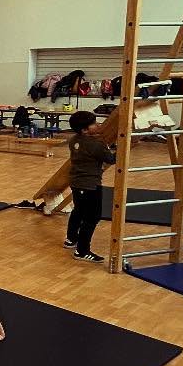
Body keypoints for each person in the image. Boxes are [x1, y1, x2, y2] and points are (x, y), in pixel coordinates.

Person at [65, 110, 114, 262]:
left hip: (76, 182)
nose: (98, 125)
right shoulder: (96, 144)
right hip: (90, 185)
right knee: (92, 217)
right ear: (85, 130)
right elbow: (111, 159)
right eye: (94, 124)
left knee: (79, 211)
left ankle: (71, 239)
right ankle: (82, 250)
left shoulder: (74, 140)